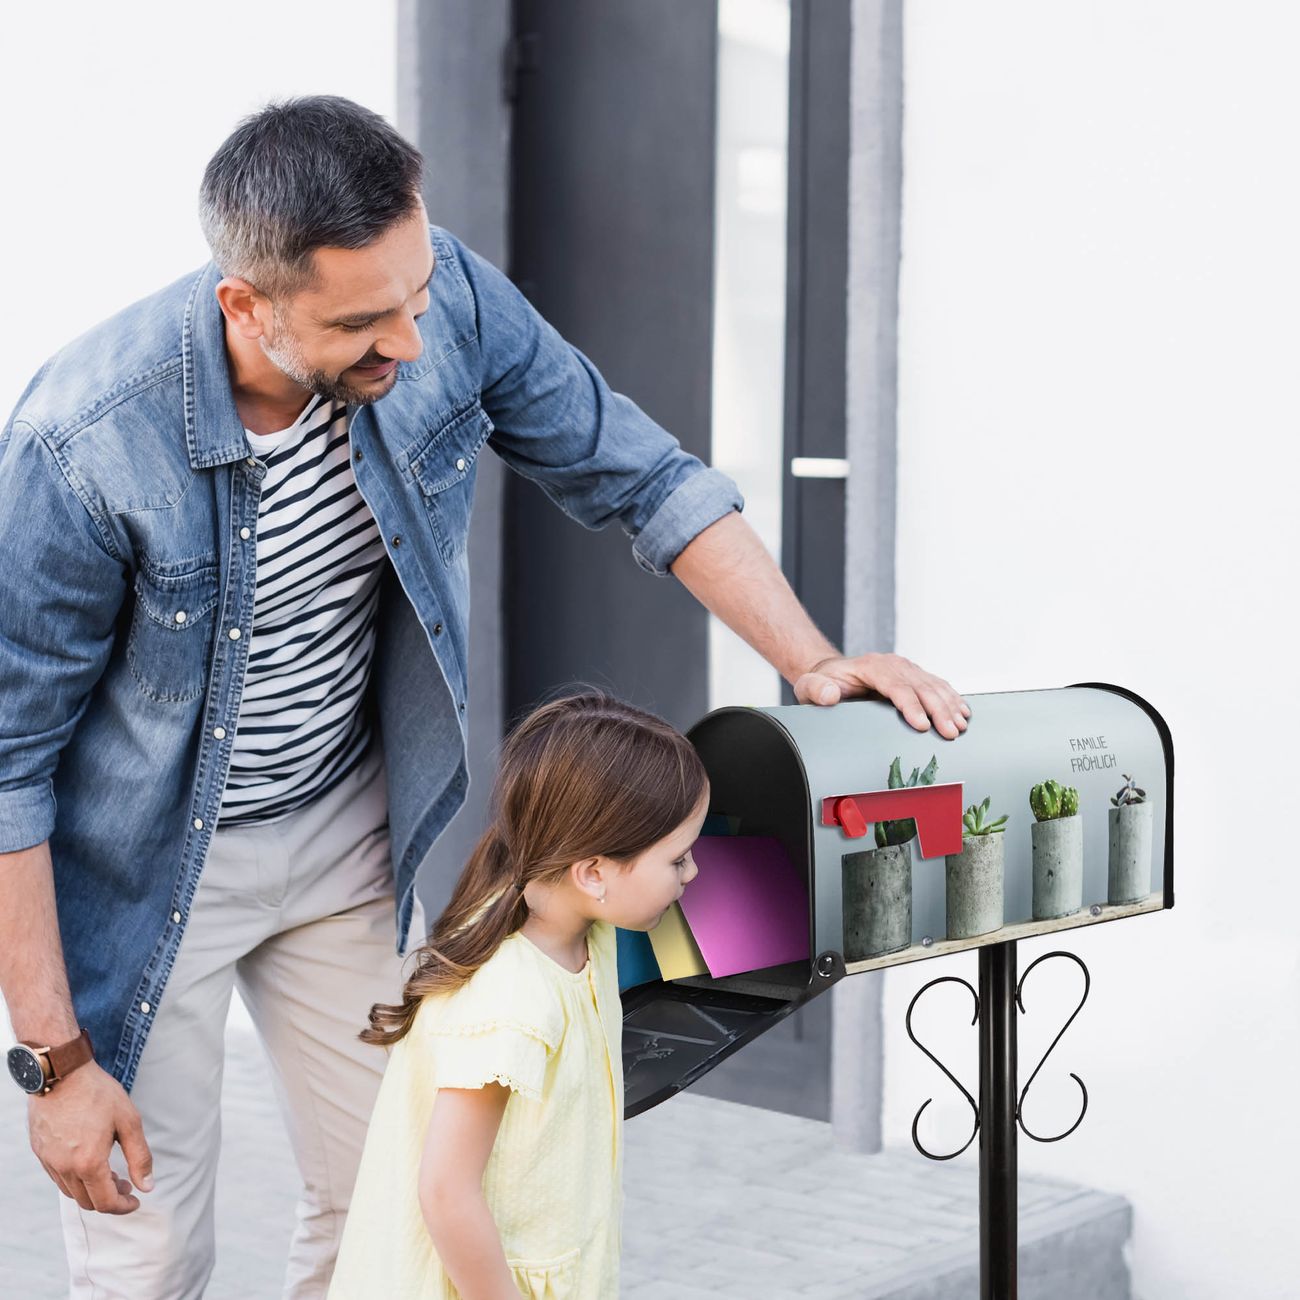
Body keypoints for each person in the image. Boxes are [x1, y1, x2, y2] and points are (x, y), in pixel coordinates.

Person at [0, 95, 968, 1298]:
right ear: (244, 305)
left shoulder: (443, 295)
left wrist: (811, 659)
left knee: (387, 1214)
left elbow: (641, 474)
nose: (408, 342)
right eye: (361, 322)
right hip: (148, 874)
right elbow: (8, 766)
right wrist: (54, 1063)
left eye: (412, 294)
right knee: (147, 1255)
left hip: (345, 834)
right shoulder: (83, 442)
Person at [328, 691, 707, 1299]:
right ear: (593, 873)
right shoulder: (512, 1002)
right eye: (679, 859)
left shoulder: (582, 926)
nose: (693, 874)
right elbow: (446, 1192)